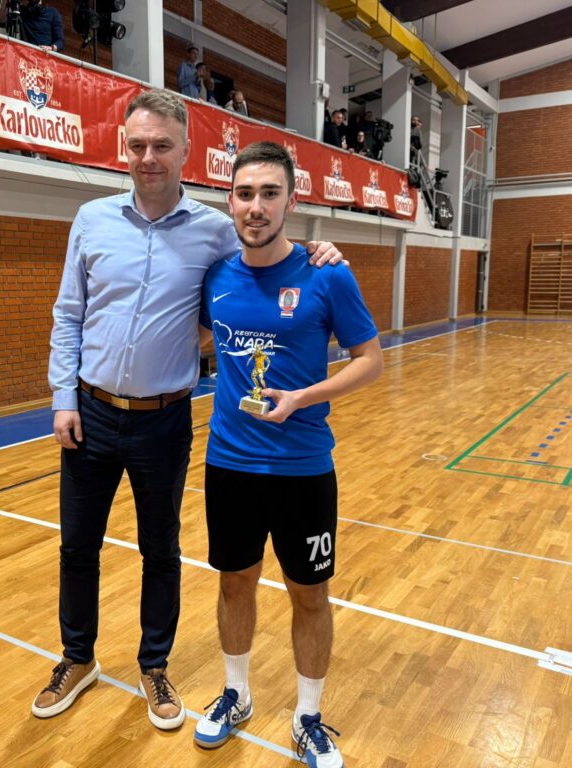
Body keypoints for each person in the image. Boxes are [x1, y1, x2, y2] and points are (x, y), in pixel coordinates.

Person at [35, 90, 346, 730]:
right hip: (90, 414)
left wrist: (322, 251)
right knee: (77, 547)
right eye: (137, 145)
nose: (148, 157)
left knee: (161, 549)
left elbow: (268, 252)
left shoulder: (216, 230)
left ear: (186, 152)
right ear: (124, 148)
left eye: (161, 145)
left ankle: (155, 665)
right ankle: (77, 657)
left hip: (165, 418)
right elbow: (68, 315)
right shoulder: (90, 219)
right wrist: (63, 396)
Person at [194, 141, 383, 767]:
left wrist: (303, 397)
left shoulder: (327, 274)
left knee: (310, 595)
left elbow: (370, 361)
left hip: (303, 470)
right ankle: (236, 694)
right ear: (230, 201)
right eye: (245, 194)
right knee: (234, 584)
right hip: (229, 465)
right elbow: (194, 338)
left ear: (291, 202)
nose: (256, 207)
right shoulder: (216, 276)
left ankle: (307, 717)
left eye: (269, 194)